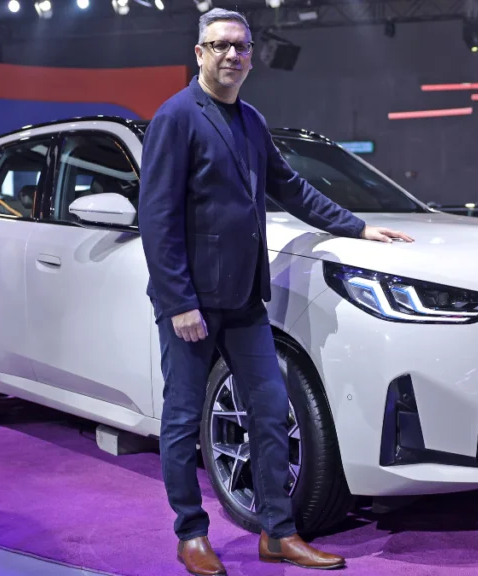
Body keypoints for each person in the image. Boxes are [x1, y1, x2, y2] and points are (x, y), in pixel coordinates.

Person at [137, 7, 414, 575]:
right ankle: (191, 533)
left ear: (252, 56)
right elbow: (157, 217)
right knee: (183, 420)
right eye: (219, 46)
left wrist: (357, 226)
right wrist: (178, 302)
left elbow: (291, 187)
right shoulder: (176, 118)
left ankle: (276, 532)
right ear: (199, 54)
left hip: (243, 300)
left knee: (270, 411)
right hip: (192, 304)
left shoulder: (252, 121)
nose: (231, 55)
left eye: (240, 47)